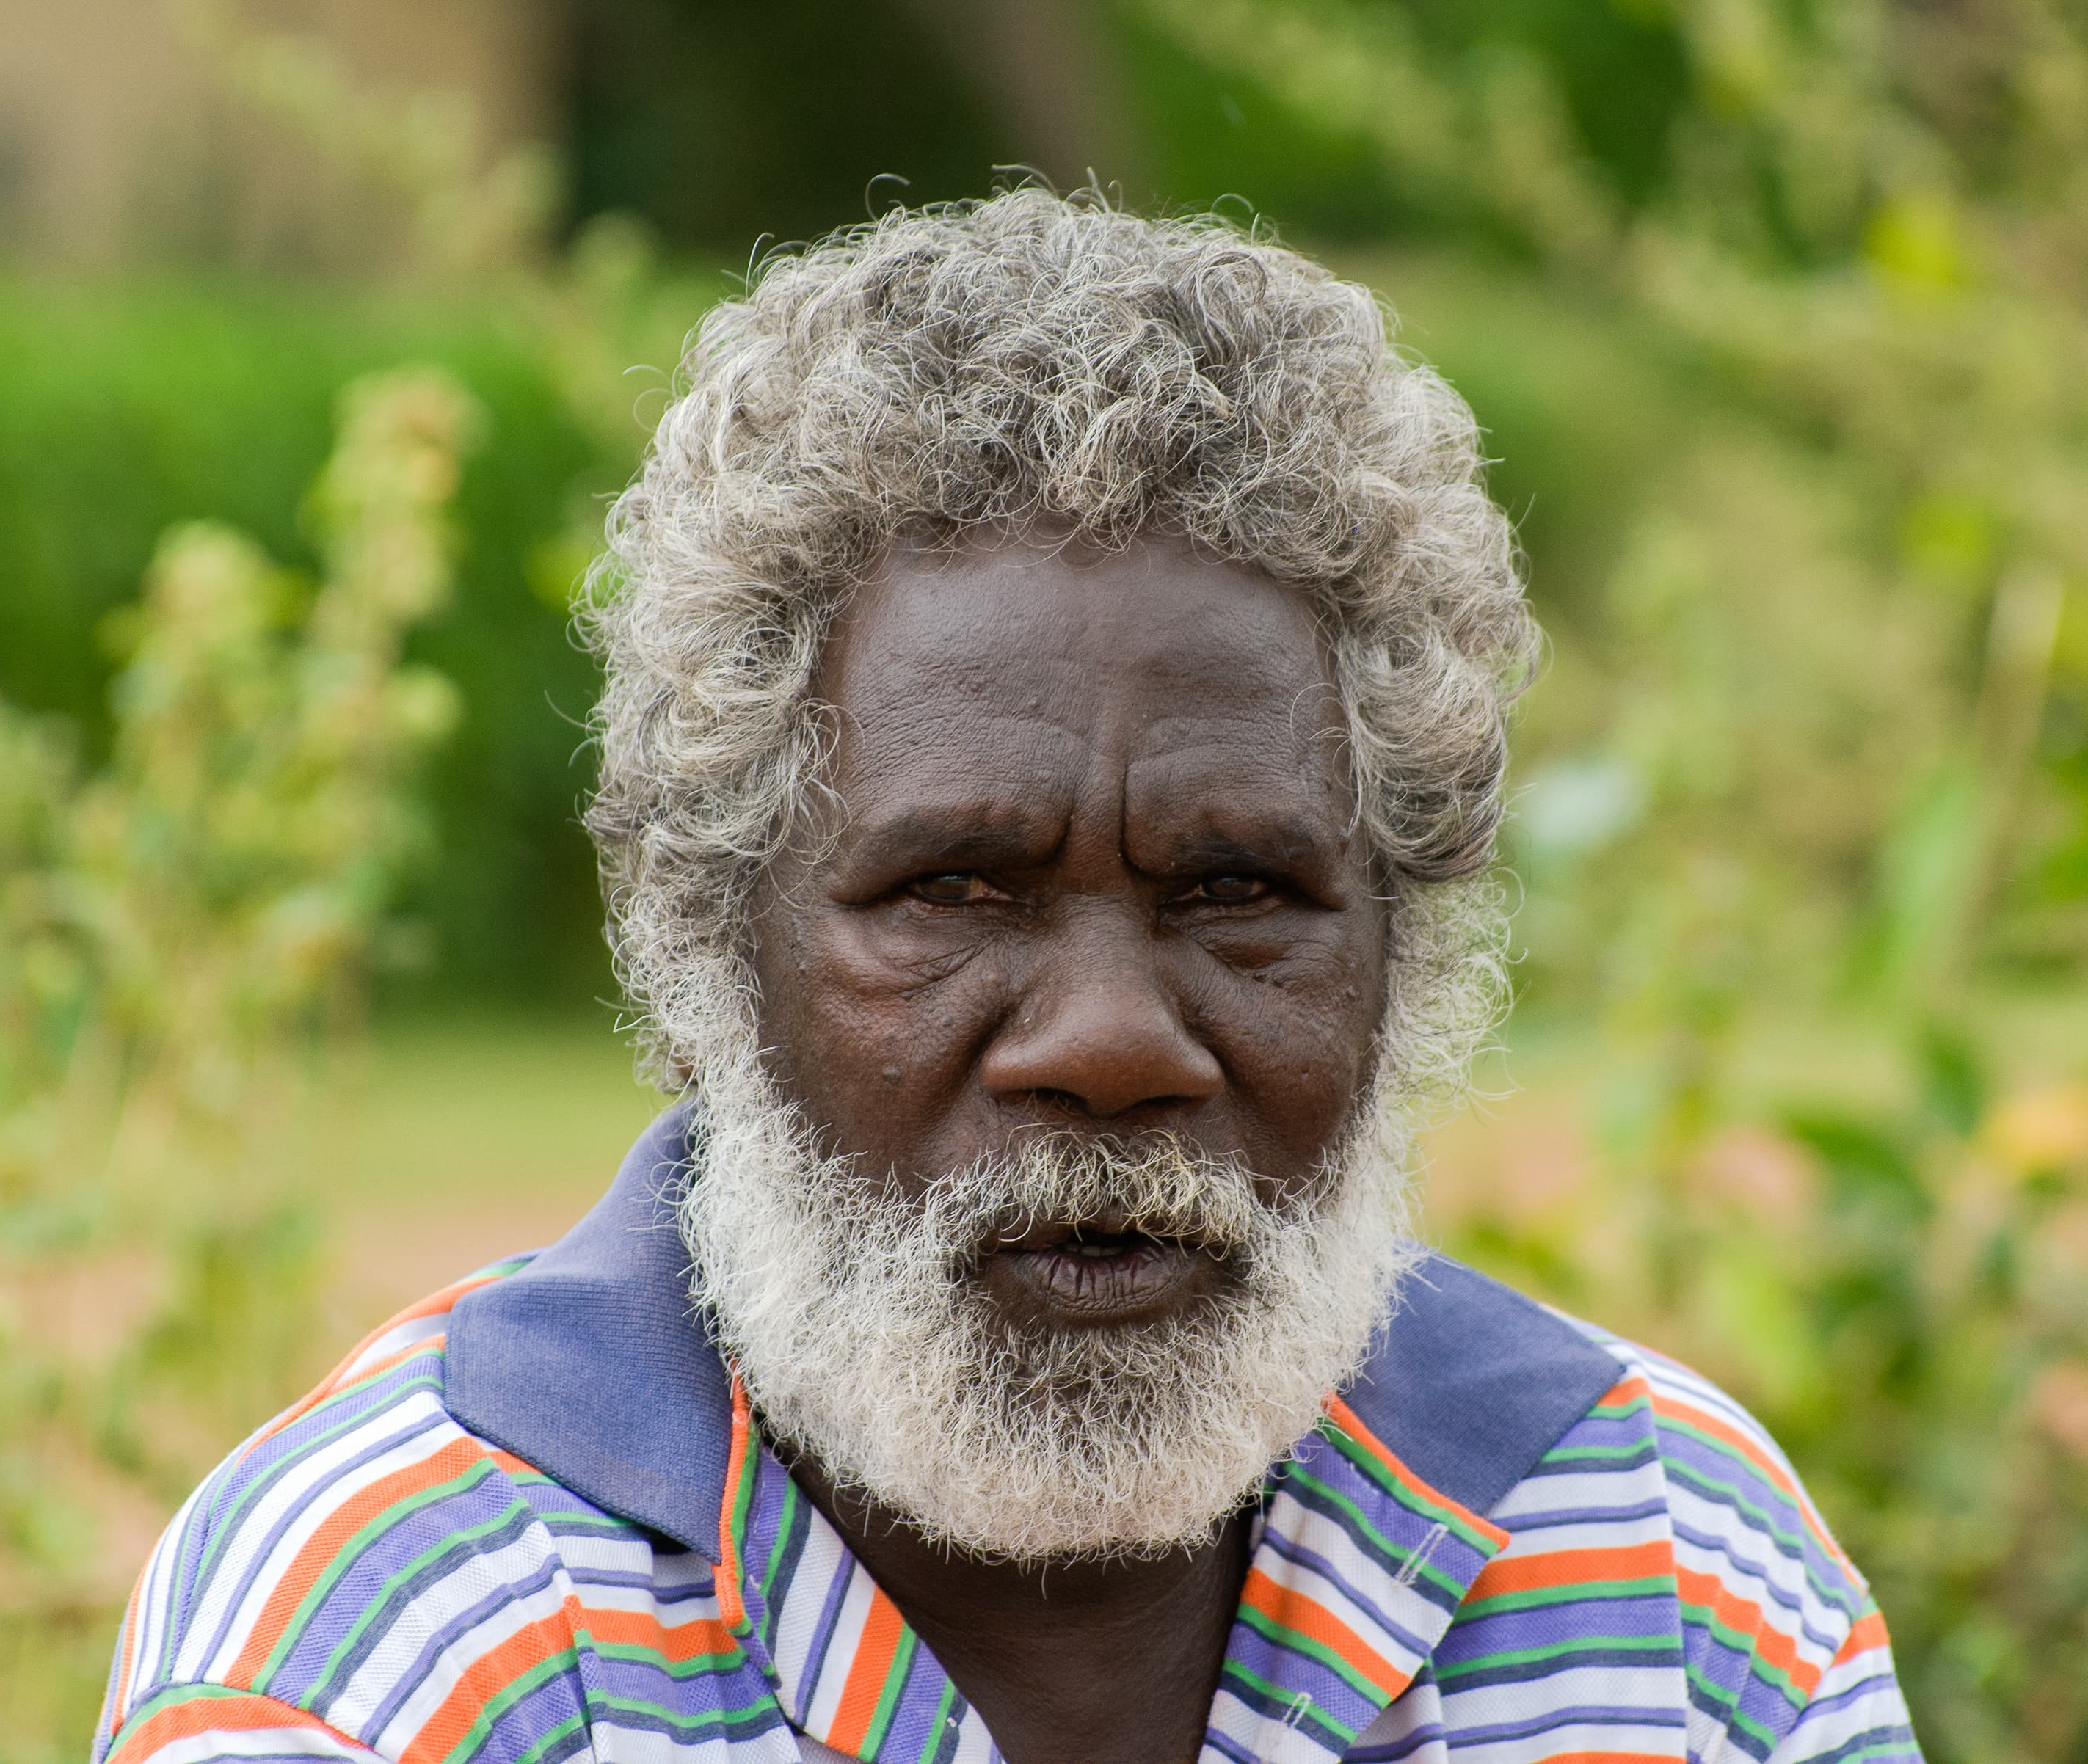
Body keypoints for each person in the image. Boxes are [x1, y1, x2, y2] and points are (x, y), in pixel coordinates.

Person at [93, 190, 1918, 1764]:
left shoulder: (1671, 1579)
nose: (1111, 1043)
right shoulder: (395, 1640)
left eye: (1238, 890)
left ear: (1400, 952)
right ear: (710, 947)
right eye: (951, 890)